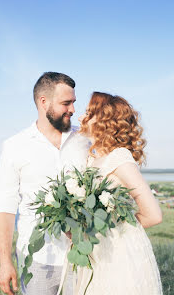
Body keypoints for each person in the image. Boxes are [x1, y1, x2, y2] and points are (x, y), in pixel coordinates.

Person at [0, 72, 90, 295]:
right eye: (66, 103)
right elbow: (6, 208)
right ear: (43, 102)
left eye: (74, 102)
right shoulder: (14, 146)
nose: (73, 110)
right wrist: (5, 261)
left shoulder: (85, 140)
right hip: (37, 259)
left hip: (83, 255)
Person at [75, 92, 163, 295]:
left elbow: (153, 215)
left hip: (118, 254)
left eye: (89, 113)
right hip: (95, 251)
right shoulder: (92, 160)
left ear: (104, 120)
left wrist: (117, 228)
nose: (81, 117)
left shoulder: (119, 158)